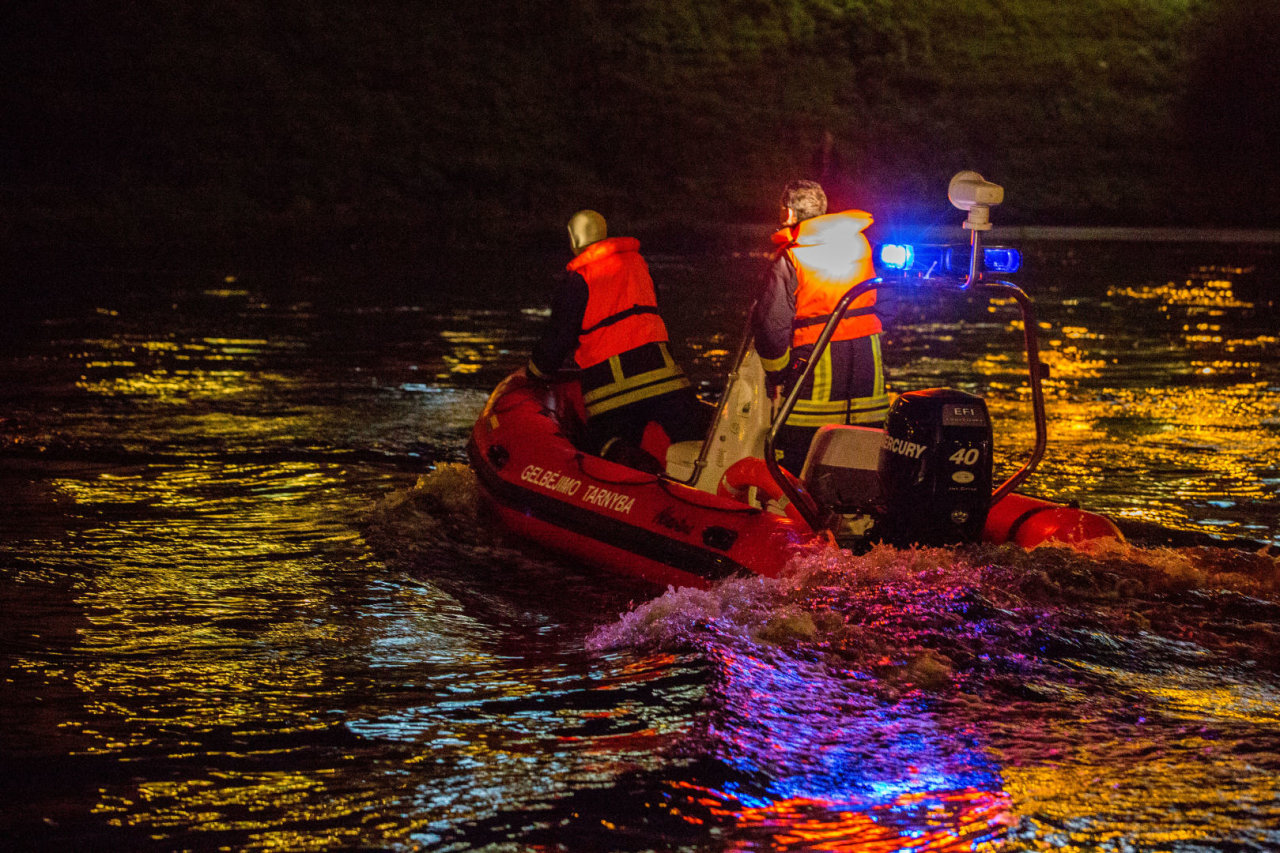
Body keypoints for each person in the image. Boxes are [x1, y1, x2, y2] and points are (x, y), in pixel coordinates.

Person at [527, 210, 706, 470]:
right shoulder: (638, 264)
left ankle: (629, 462)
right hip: (664, 378)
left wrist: (535, 372)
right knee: (694, 430)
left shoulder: (579, 279)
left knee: (601, 441)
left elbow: (558, 336)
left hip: (611, 388)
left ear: (574, 240)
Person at [751, 179, 889, 475]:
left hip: (815, 374)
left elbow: (770, 324)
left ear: (789, 214)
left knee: (797, 461)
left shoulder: (793, 254)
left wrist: (776, 372)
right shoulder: (862, 243)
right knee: (864, 458)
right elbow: (887, 302)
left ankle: (794, 517)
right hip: (869, 373)